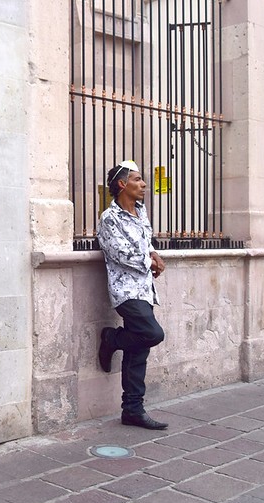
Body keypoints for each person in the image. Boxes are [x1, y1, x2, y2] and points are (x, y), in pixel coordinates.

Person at [96, 160, 168, 430]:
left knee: (138, 350)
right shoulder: (109, 218)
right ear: (122, 184)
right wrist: (149, 261)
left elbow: (145, 243)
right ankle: (111, 338)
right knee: (153, 333)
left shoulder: (141, 212)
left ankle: (132, 410)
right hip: (125, 290)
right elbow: (119, 253)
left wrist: (154, 254)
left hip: (145, 289)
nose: (144, 184)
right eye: (137, 180)